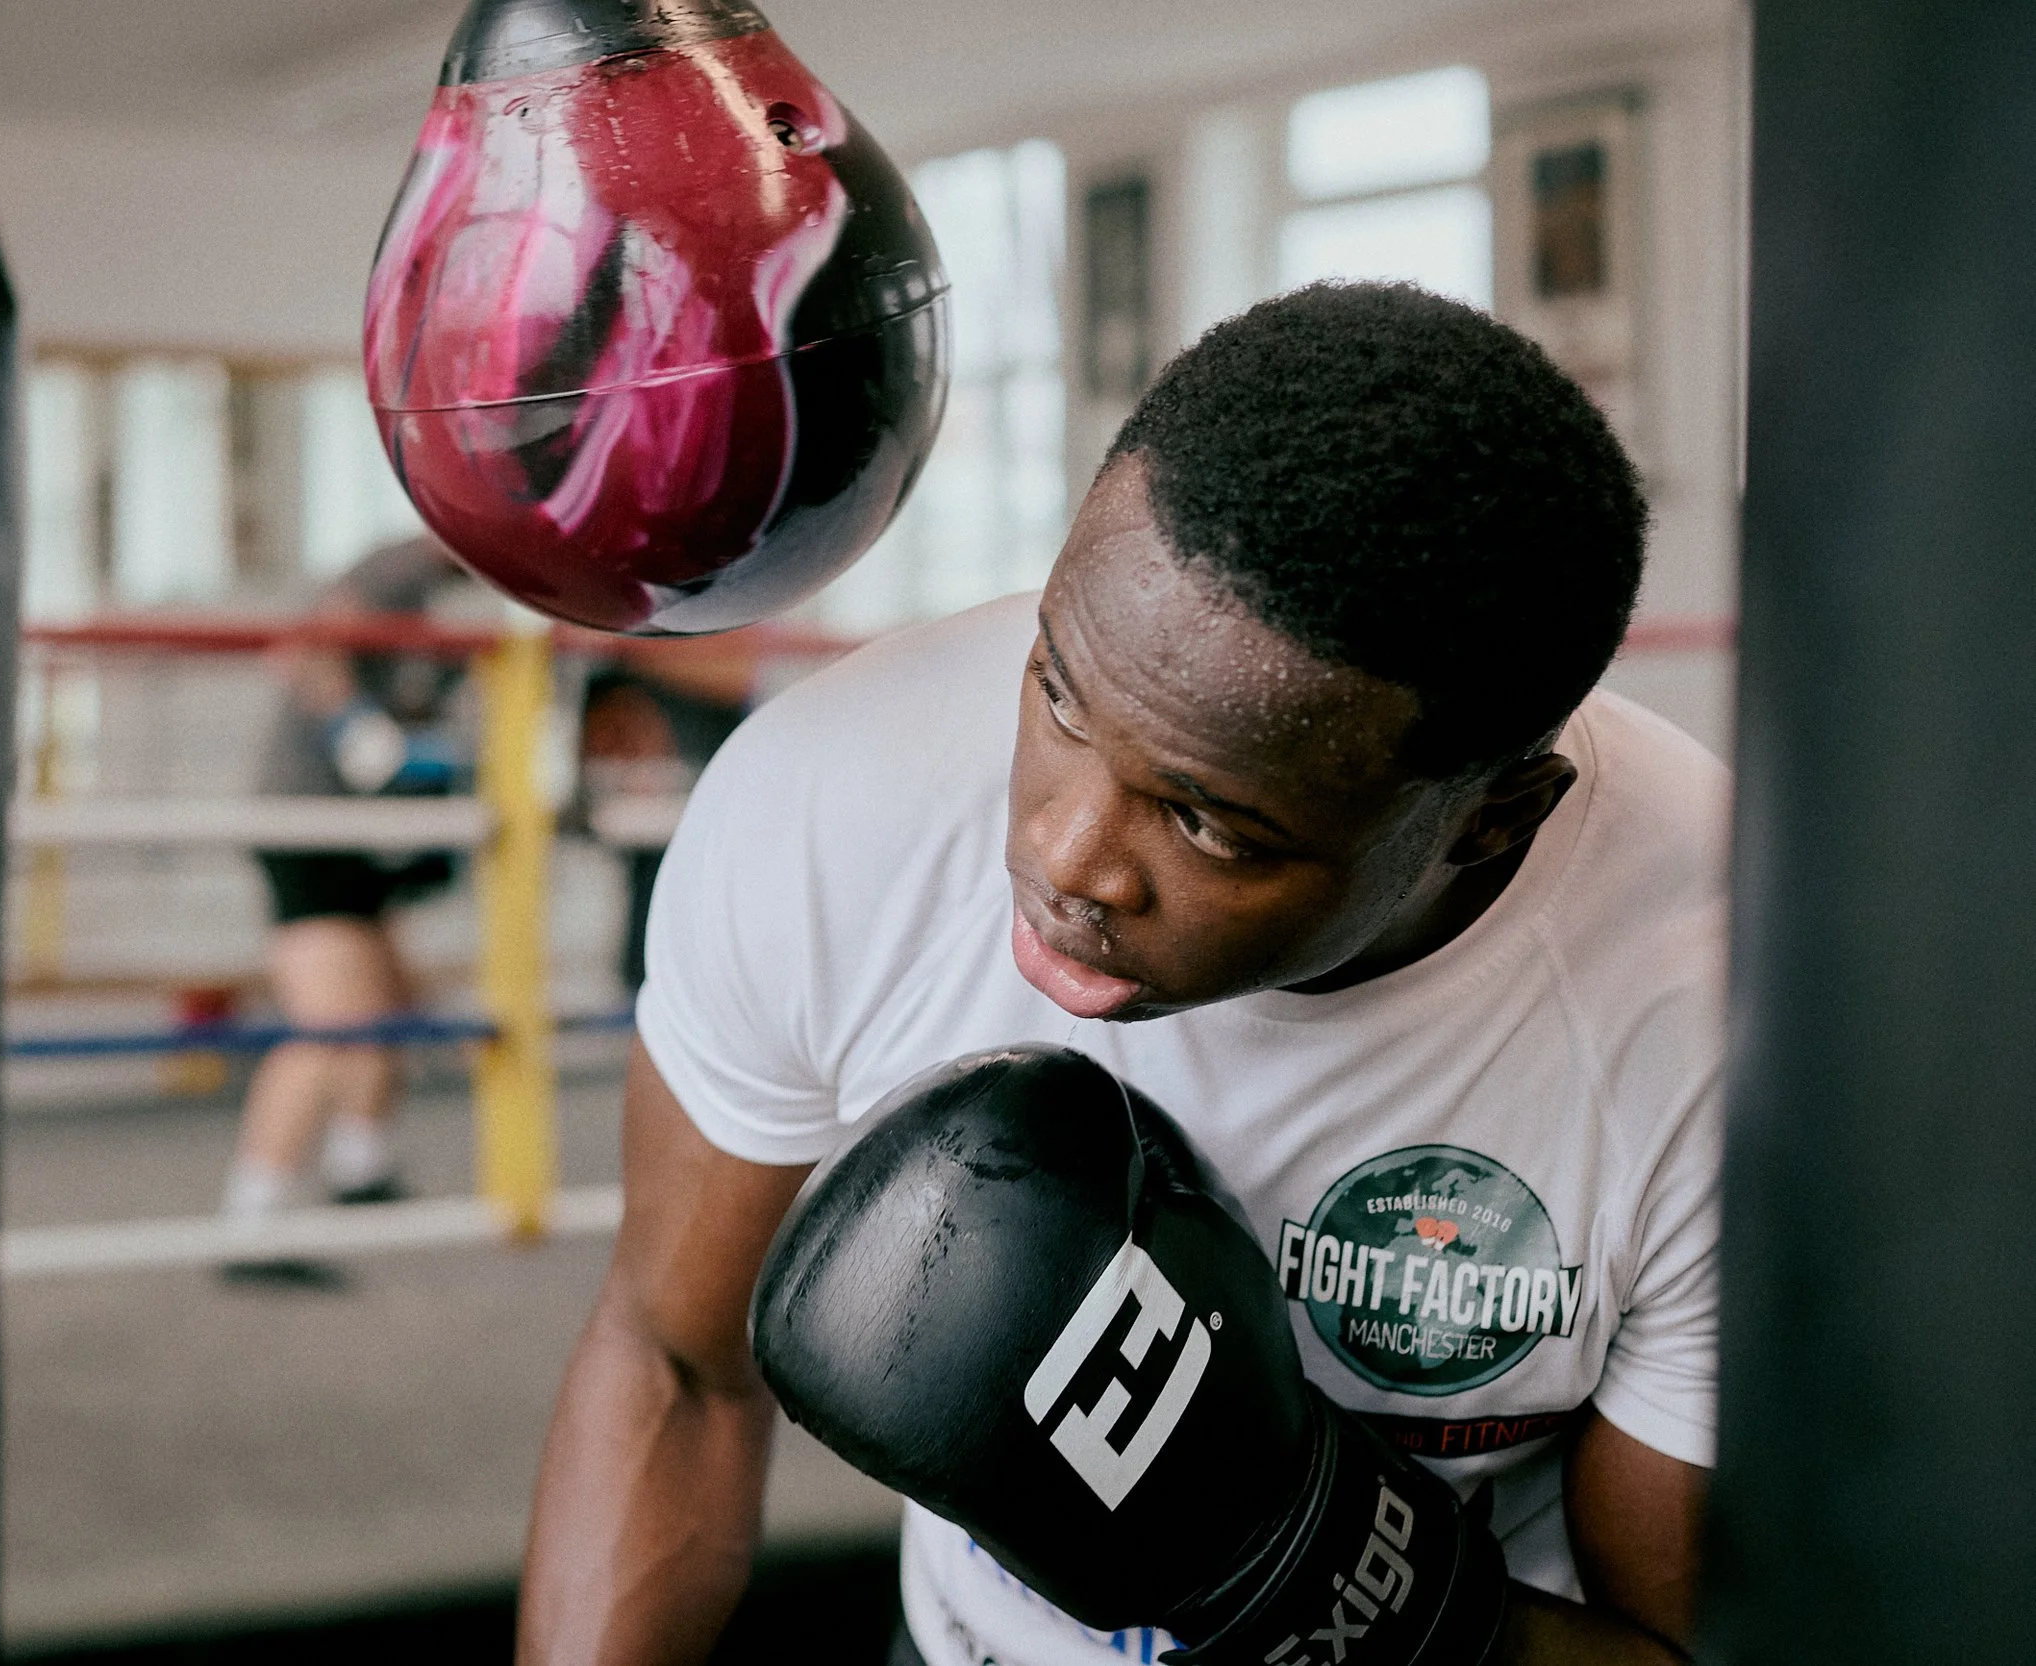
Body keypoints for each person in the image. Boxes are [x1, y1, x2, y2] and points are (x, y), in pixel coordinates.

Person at [520, 284, 1718, 1666]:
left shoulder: (1706, 1013)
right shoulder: (835, 803)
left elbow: (1676, 1645)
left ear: (1492, 818)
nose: (1065, 854)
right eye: (1058, 692)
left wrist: (1303, 1569)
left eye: (1208, 820)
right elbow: (674, 1363)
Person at [220, 536, 477, 1227]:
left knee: (387, 1001)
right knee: (332, 1023)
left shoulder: (476, 598)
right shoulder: (404, 566)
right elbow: (312, 645)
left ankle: (359, 1163)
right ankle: (252, 1214)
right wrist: (356, 733)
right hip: (307, 823)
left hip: (358, 831)